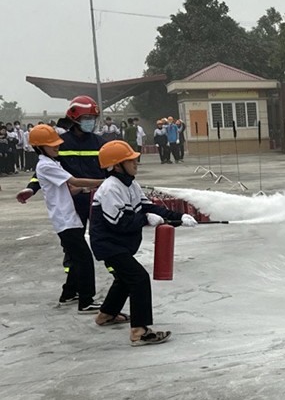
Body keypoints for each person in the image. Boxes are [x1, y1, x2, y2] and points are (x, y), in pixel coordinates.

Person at [90, 141, 197, 346]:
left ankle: (106, 315)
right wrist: (145, 219)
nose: (136, 163)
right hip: (109, 244)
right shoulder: (111, 188)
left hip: (121, 245)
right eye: (130, 160)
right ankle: (139, 331)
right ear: (116, 165)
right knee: (138, 279)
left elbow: (150, 207)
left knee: (124, 279)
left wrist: (178, 218)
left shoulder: (130, 184)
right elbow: (119, 223)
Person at [16, 96, 109, 304]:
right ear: (74, 118)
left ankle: (71, 291)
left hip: (95, 201)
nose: (91, 122)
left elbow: (111, 169)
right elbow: (46, 174)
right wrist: (31, 189)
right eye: (87, 118)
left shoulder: (101, 143)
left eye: (93, 118)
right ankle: (80, 294)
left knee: (101, 240)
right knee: (76, 252)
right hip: (71, 205)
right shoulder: (58, 145)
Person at [30, 124, 104, 313]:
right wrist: (105, 182)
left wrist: (88, 188)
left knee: (78, 258)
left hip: (69, 218)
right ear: (39, 147)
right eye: (52, 144)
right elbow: (75, 181)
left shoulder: (53, 163)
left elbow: (71, 189)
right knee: (84, 259)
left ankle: (69, 293)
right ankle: (86, 301)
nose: (57, 147)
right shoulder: (45, 165)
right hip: (65, 220)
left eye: (57, 143)